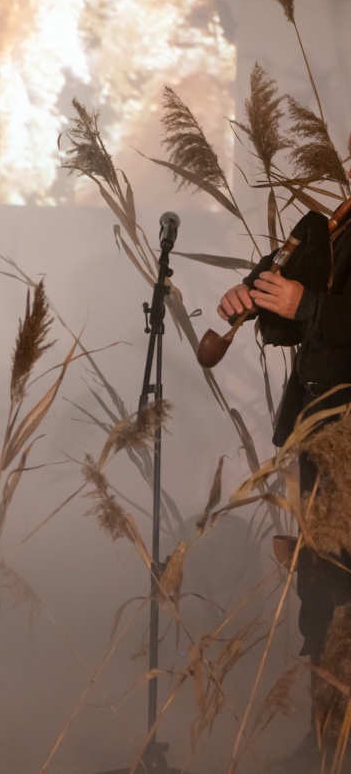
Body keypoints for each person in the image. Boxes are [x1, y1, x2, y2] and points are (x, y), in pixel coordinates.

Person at [216, 132, 351, 771]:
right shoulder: (339, 222)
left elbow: (325, 311)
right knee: (322, 591)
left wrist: (311, 307)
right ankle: (327, 735)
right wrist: (258, 296)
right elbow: (301, 302)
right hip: (320, 436)